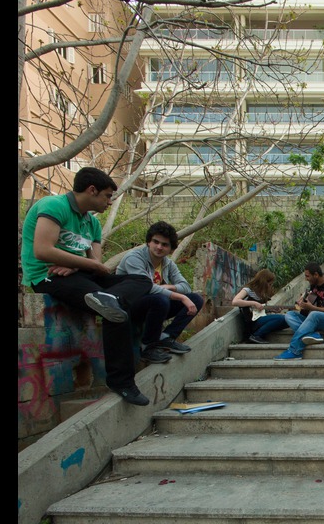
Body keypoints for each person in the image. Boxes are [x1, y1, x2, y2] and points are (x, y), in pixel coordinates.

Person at [21, 167, 154, 406]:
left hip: (79, 274)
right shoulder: (53, 206)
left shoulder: (91, 222)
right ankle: (122, 382)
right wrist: (83, 264)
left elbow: (95, 262)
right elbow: (42, 251)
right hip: (47, 276)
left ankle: (109, 299)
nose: (109, 201)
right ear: (92, 190)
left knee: (142, 279)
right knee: (116, 315)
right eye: (106, 196)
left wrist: (78, 265)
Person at [116, 221, 204, 363]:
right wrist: (180, 297)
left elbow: (186, 286)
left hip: (154, 305)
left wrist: (169, 287)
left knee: (195, 299)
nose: (159, 247)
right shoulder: (134, 258)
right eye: (155, 242)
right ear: (149, 242)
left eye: (165, 244)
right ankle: (148, 347)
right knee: (160, 299)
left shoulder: (168, 264)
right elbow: (145, 287)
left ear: (171, 248)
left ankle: (165, 338)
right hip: (128, 304)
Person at [274, 262, 324, 360]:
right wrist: (302, 304)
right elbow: (306, 311)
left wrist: (312, 308)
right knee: (289, 315)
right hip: (317, 319)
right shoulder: (313, 286)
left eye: (307, 276)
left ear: (316, 274)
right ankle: (311, 334)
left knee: (314, 314)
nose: (306, 279)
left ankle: (295, 350)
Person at [231, 268, 290, 344]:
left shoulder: (262, 294)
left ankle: (260, 333)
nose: (270, 286)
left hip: (260, 319)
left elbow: (259, 310)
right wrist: (254, 303)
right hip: (252, 321)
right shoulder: (248, 289)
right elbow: (235, 301)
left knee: (288, 320)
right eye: (269, 284)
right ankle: (256, 335)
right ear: (264, 282)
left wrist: (272, 310)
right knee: (282, 318)